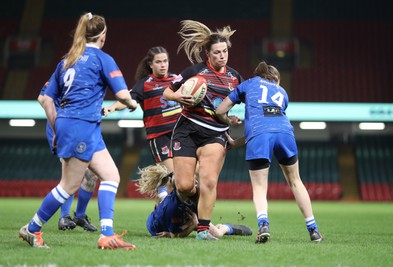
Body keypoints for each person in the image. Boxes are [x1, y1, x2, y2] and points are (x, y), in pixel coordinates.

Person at [19, 12, 137, 250]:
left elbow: (44, 100)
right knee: (68, 186)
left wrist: (55, 129)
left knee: (111, 176)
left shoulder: (66, 60)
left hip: (79, 126)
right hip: (81, 125)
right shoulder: (103, 59)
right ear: (103, 36)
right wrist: (133, 105)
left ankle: (106, 234)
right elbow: (124, 95)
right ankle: (32, 228)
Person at [215, 61, 323, 243]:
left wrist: (228, 121)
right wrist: (235, 143)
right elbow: (271, 125)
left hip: (259, 134)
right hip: (285, 133)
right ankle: (314, 230)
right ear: (276, 79)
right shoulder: (282, 93)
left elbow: (220, 110)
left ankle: (263, 225)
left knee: (259, 187)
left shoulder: (249, 83)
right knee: (296, 181)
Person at [163, 20, 244, 240]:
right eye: (217, 52)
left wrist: (231, 118)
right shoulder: (195, 71)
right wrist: (177, 96)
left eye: (225, 51)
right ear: (207, 54)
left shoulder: (235, 78)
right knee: (185, 186)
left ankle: (202, 230)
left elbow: (248, 100)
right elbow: (167, 93)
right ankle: (191, 198)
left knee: (209, 180)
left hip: (215, 133)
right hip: (187, 130)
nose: (222, 56)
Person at [105, 47, 181, 204]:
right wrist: (113, 107)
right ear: (150, 64)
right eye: (158, 62)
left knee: (181, 181)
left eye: (165, 61)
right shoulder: (144, 84)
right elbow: (129, 100)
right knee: (176, 178)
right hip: (159, 138)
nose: (162, 65)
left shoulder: (176, 79)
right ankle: (162, 203)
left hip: (180, 135)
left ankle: (162, 199)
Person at [38, 85, 97, 232]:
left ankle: (80, 215)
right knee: (72, 174)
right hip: (63, 128)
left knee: (91, 174)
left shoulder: (85, 74)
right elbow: (42, 98)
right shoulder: (61, 75)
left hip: (80, 127)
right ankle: (64, 217)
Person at [136, 164, 252, 238]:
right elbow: (176, 235)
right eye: (193, 181)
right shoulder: (172, 209)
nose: (195, 183)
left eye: (195, 181)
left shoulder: (195, 192)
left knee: (216, 233)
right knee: (163, 203)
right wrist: (194, 225)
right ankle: (161, 190)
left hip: (180, 209)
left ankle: (227, 227)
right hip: (157, 226)